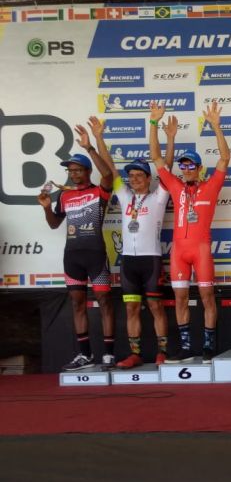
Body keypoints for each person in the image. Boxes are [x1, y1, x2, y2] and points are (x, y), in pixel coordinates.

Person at [149, 100, 230, 363]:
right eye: (182, 166)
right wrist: (154, 123)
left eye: (190, 166)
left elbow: (224, 158)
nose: (185, 170)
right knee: (180, 298)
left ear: (199, 168)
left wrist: (216, 127)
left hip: (201, 250)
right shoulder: (175, 186)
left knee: (207, 297)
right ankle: (185, 348)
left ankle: (208, 346)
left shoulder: (211, 186)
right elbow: (156, 158)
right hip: (179, 253)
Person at [95, 114, 176, 369]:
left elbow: (166, 166)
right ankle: (135, 354)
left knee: (155, 306)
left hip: (151, 260)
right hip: (128, 261)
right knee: (131, 308)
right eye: (131, 175)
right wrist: (98, 138)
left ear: (149, 178)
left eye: (139, 175)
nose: (134, 178)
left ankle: (162, 352)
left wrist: (169, 138)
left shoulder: (159, 196)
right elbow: (109, 166)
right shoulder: (124, 194)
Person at [37, 121, 115, 371]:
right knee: (77, 304)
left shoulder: (100, 191)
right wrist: (46, 207)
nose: (73, 174)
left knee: (104, 301)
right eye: (70, 171)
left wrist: (90, 147)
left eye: (78, 170)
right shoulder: (65, 195)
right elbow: (54, 224)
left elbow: (108, 175)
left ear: (87, 171)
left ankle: (109, 355)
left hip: (95, 255)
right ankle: (85, 355)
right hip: (72, 257)